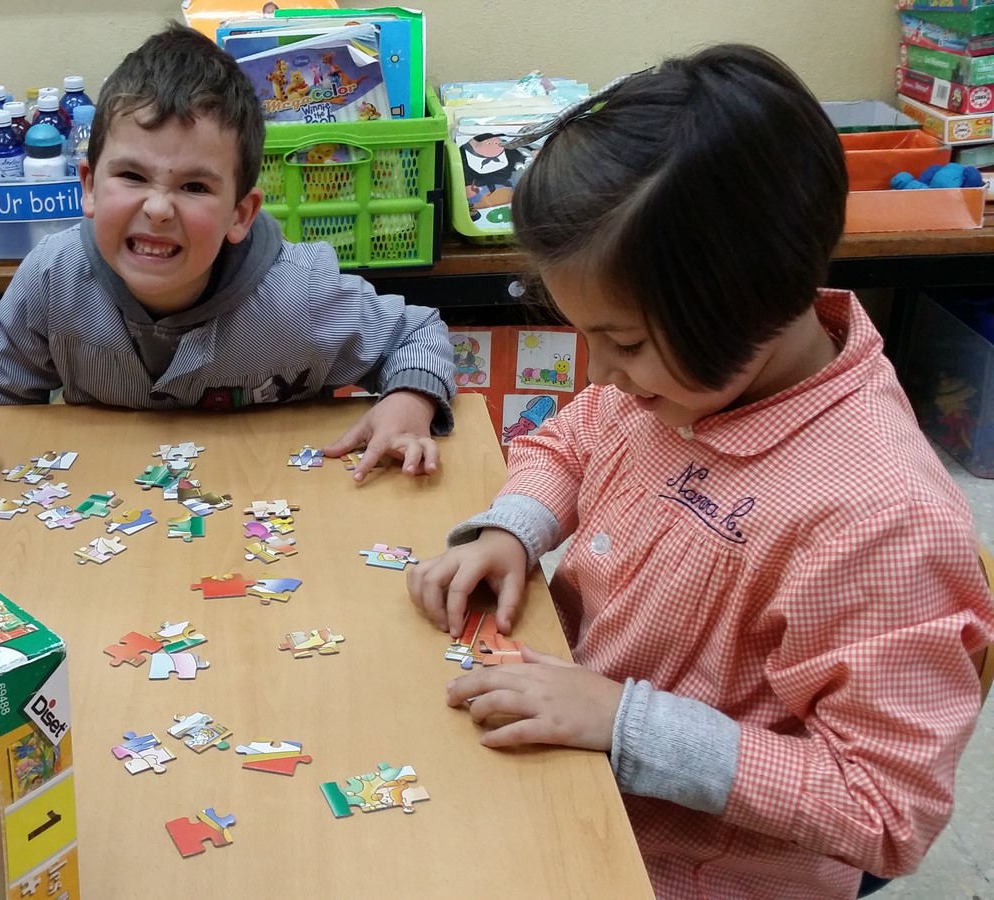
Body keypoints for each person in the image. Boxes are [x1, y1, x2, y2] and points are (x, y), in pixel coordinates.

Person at [405, 45, 994, 898]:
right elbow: (571, 440)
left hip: (686, 865)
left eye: (623, 342)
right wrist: (513, 529)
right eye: (586, 334)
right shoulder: (677, 382)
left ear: (753, 296)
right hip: (571, 752)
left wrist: (628, 723)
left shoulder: (880, 519)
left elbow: (888, 811)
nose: (600, 372)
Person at [0, 24, 455, 479]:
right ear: (89, 186)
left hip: (265, 504)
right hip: (106, 504)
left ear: (240, 213)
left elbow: (417, 333)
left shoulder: (301, 293)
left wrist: (410, 401)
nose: (158, 208)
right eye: (131, 176)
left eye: (194, 187)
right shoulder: (50, 277)